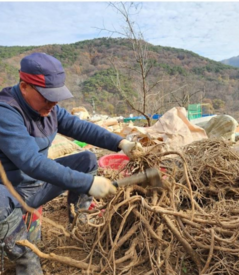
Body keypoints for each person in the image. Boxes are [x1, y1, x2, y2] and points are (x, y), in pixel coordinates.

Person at [0, 52, 142, 275]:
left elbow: (81, 128)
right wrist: (88, 183)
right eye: (47, 97)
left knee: (86, 159)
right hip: (11, 194)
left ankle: (80, 220)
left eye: (55, 97)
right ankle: (26, 261)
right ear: (24, 86)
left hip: (39, 185)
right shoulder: (6, 111)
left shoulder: (50, 110)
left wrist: (121, 143)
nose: (53, 103)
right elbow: (31, 162)